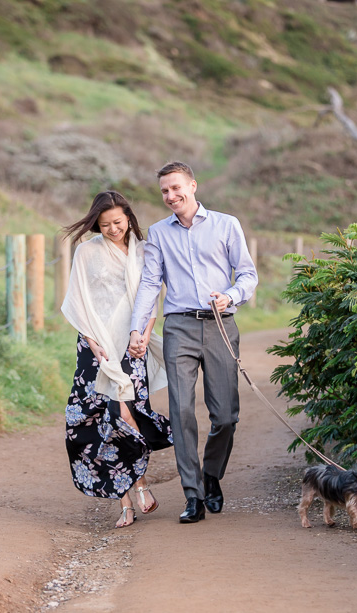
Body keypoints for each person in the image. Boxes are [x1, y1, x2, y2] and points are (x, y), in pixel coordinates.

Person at [128, 161, 257, 524]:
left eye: (176, 188)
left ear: (193, 186)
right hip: (179, 328)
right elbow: (151, 285)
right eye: (164, 191)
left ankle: (211, 474)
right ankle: (192, 495)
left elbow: (247, 274)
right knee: (182, 410)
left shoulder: (226, 225)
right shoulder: (157, 234)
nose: (171, 196)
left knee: (226, 416)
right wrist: (137, 329)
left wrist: (230, 296)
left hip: (220, 325)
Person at [61, 190, 173, 529]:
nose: (113, 229)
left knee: (131, 413)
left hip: (131, 344)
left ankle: (137, 485)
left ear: (129, 218)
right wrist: (94, 344)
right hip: (96, 348)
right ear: (96, 223)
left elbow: (151, 296)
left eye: (119, 222)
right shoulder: (86, 252)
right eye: (105, 224)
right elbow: (78, 300)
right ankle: (127, 499)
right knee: (107, 419)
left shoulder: (143, 250)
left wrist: (141, 334)